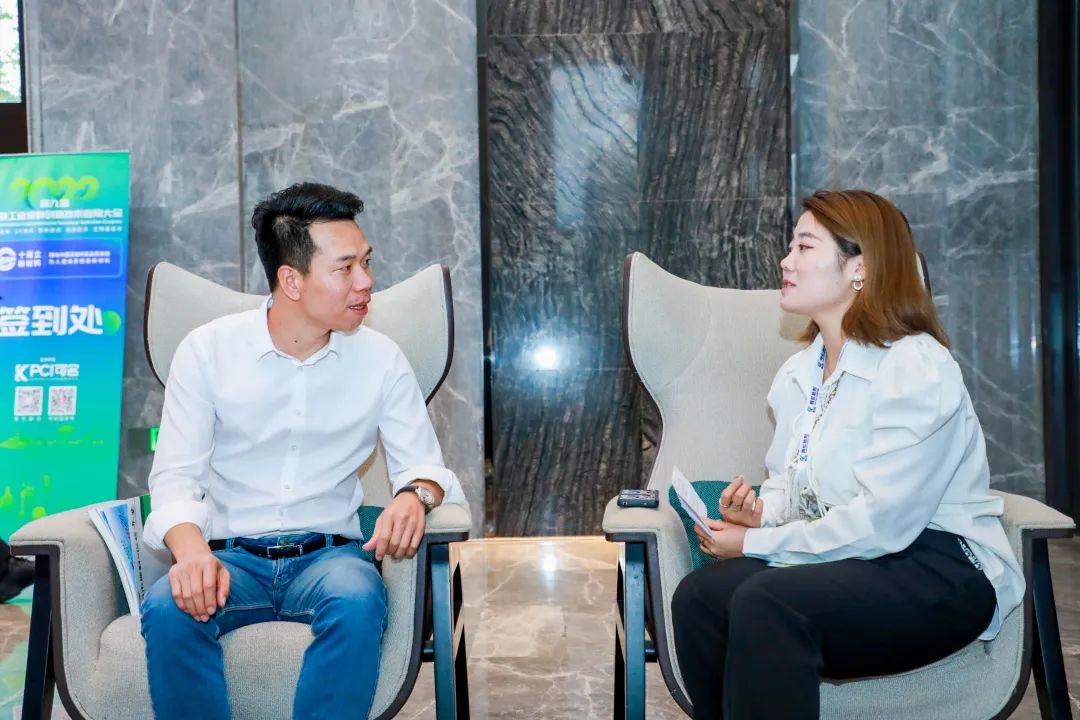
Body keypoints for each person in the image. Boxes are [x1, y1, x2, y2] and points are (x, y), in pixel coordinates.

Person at [670, 189, 1023, 719]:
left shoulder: (915, 366)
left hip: (939, 567)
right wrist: (763, 512)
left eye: (804, 246)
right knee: (700, 597)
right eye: (791, 246)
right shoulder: (799, 373)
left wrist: (757, 542)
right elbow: (795, 484)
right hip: (851, 558)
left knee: (768, 602)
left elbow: (884, 525)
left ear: (860, 267)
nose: (786, 261)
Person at [139, 182, 465, 720]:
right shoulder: (207, 352)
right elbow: (175, 478)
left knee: (357, 599)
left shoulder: (381, 359)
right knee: (167, 608)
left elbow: (426, 467)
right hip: (229, 558)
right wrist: (192, 553)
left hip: (331, 560)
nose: (366, 282)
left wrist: (415, 495)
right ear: (291, 280)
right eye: (345, 268)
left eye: (366, 262)